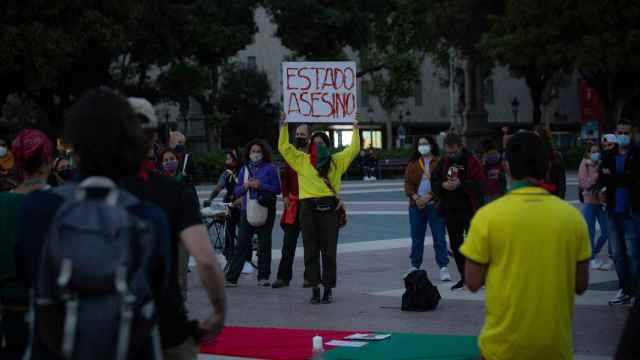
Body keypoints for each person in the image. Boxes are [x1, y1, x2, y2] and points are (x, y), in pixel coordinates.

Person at [13, 91, 174, 360]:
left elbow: (27, 277)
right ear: (131, 148)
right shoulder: (148, 218)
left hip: (52, 347)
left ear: (74, 148)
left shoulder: (37, 210)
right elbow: (159, 293)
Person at [461, 131, 591, 360]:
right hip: (555, 347)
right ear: (547, 165)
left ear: (506, 167)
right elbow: (580, 285)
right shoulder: (573, 218)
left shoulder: (487, 217)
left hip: (501, 347)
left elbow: (472, 282)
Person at [122, 96, 226, 359]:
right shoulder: (173, 190)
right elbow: (205, 261)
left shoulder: (89, 190)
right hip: (166, 325)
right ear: (154, 138)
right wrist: (218, 311)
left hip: (109, 328)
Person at [278, 115, 360, 304]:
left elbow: (354, 149)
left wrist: (355, 129)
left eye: (321, 142)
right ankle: (314, 288)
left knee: (329, 251)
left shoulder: (336, 162)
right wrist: (284, 127)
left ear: (327, 145)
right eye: (314, 143)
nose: (318, 146)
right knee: (310, 250)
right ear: (309, 145)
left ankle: (328, 289)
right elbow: (284, 148)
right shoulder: (302, 160)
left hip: (329, 208)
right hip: (307, 208)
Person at [0, 129, 53, 360]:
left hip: (7, 318)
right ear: (47, 162)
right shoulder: (62, 204)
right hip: (50, 319)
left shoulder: (2, 203)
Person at [432, 132, 485, 291]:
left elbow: (480, 184)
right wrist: (442, 186)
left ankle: (481, 277)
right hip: (450, 209)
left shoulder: (471, 160)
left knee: (475, 244)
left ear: (460, 147)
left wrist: (461, 184)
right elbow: (435, 179)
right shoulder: (444, 161)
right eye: (448, 152)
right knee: (456, 246)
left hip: (469, 209)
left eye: (454, 152)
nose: (451, 155)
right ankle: (464, 277)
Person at [225, 140, 281, 287]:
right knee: (242, 244)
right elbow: (236, 191)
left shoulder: (270, 168)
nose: (255, 154)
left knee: (264, 244)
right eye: (253, 151)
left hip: (265, 209)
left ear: (263, 153)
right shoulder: (244, 169)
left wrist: (261, 185)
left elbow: (277, 189)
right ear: (248, 153)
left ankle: (263, 277)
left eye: (258, 151)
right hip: (247, 210)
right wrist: (245, 186)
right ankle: (231, 278)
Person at [599, 119, 640, 305]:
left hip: (631, 209)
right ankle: (625, 290)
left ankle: (635, 292)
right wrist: (605, 184)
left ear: (632, 134)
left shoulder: (637, 155)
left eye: (626, 133)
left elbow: (634, 180)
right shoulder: (608, 154)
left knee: (633, 253)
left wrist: (613, 177)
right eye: (619, 132)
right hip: (612, 210)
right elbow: (602, 178)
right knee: (616, 253)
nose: (622, 136)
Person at [404, 136, 450, 282]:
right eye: (420, 144)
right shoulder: (413, 163)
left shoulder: (440, 162)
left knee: (439, 238)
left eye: (425, 143)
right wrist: (416, 198)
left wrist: (429, 196)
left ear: (431, 145)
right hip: (416, 206)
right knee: (417, 238)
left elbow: (442, 182)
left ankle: (443, 267)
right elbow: (408, 183)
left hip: (435, 205)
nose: (422, 146)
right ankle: (414, 266)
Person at [273, 124, 310, 288]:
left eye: (302, 134)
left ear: (309, 137)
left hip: (310, 204)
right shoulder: (291, 156)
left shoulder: (314, 156)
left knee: (311, 244)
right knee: (288, 243)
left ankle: (310, 277)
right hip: (293, 205)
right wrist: (285, 196)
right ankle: (283, 277)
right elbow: (285, 178)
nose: (299, 136)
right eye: (297, 134)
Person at [208, 149, 250, 270]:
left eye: (229, 159)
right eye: (226, 159)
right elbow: (218, 188)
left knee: (243, 230)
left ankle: (245, 257)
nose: (226, 161)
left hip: (241, 203)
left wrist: (241, 200)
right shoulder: (226, 173)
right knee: (228, 227)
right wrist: (210, 198)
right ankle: (229, 253)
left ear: (236, 160)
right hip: (229, 203)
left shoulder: (244, 171)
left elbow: (246, 188)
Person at [579, 144, 610, 270]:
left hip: (601, 202)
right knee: (590, 232)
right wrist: (597, 174)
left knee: (606, 231)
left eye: (598, 151)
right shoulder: (584, 164)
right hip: (589, 202)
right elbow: (584, 183)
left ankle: (594, 252)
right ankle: (591, 258)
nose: (596, 153)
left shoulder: (602, 164)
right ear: (588, 153)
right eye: (593, 151)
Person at [534, 125, 566, 198]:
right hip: (537, 196)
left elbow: (561, 181)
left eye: (537, 137)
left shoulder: (556, 156)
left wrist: (560, 199)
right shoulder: (532, 155)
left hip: (552, 194)